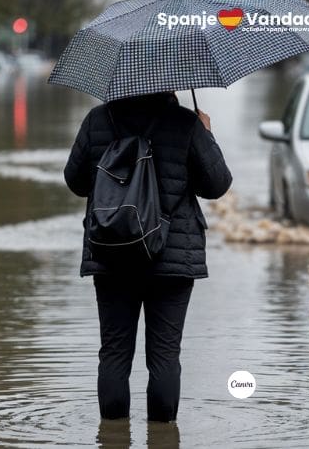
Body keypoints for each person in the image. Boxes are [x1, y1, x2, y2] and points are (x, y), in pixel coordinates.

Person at [64, 91, 232, 422]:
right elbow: (217, 185)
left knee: (113, 354)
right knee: (165, 356)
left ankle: (111, 439)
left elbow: (76, 182)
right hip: (172, 257)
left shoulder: (98, 121)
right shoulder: (185, 123)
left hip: (111, 253)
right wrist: (206, 135)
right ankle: (163, 438)